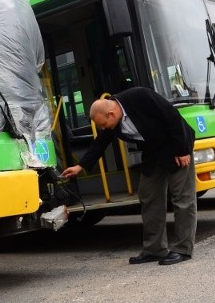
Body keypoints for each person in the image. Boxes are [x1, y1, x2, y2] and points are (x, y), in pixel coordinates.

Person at [61, 86, 196, 266]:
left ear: (111, 114)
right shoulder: (112, 122)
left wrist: (182, 150)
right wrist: (80, 166)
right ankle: (154, 250)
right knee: (148, 196)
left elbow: (172, 117)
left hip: (176, 148)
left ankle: (182, 249)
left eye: (102, 124)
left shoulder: (139, 96)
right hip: (153, 154)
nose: (102, 128)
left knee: (182, 198)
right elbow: (100, 143)